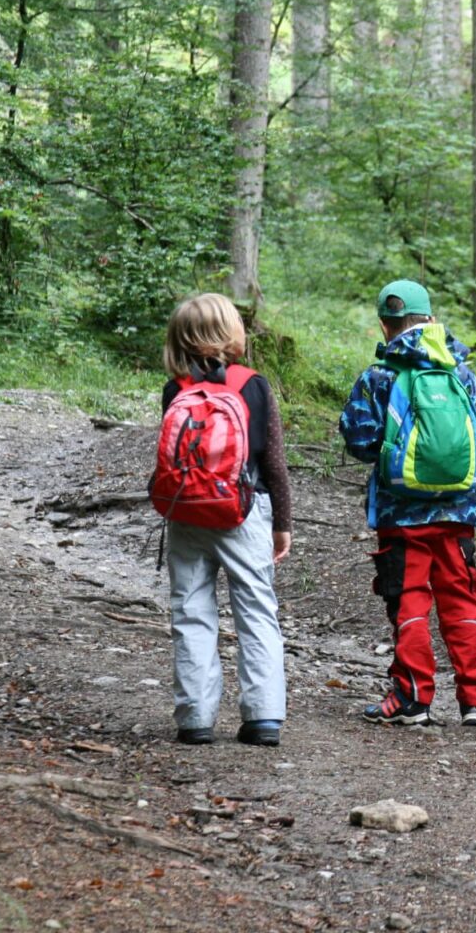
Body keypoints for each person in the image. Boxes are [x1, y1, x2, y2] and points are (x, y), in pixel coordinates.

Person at [340, 280, 476, 727]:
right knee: (462, 602)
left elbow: (359, 438)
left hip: (400, 516)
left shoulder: (379, 377)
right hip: (459, 513)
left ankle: (413, 698)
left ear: (384, 324)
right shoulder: (461, 374)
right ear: (430, 320)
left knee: (409, 601)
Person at [158, 293, 292, 748]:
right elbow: (273, 463)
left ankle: (195, 718)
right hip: (243, 510)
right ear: (230, 332)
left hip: (187, 512)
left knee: (191, 612)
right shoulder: (253, 384)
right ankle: (264, 717)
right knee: (256, 611)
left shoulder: (176, 389)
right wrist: (283, 523)